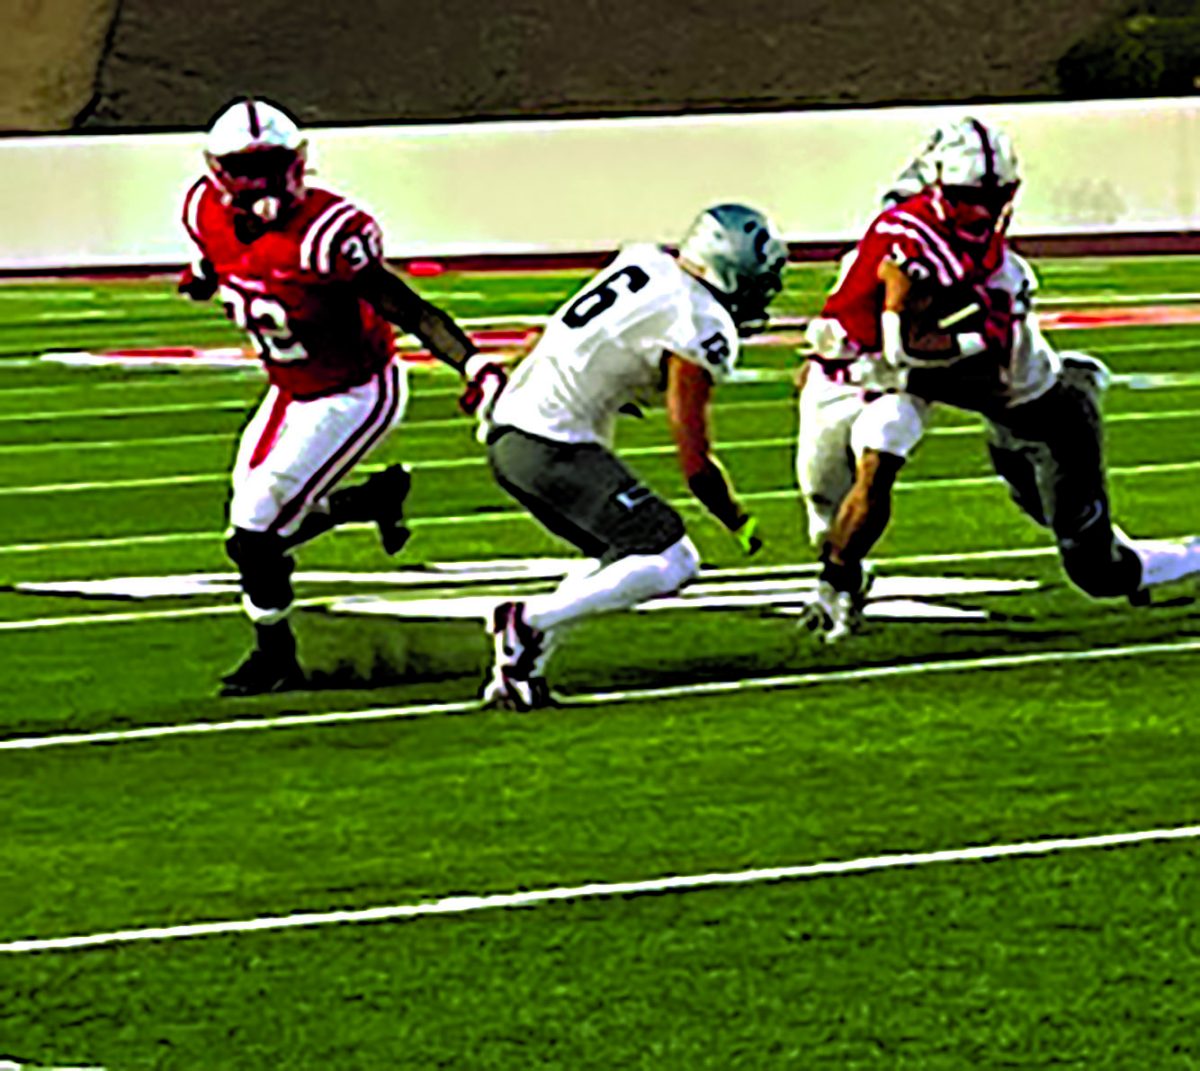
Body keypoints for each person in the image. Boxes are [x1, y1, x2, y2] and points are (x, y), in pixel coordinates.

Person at [799, 117, 1200, 642]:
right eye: (967, 197)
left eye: (994, 197)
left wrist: (893, 357)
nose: (981, 213)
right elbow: (885, 303)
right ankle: (841, 579)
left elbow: (950, 364)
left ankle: (1190, 554)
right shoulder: (902, 234)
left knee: (1096, 568)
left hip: (1036, 409)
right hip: (924, 382)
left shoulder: (1002, 284)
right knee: (825, 510)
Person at [178, 97, 506, 696]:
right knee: (251, 527)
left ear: (297, 162)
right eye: (245, 169)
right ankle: (370, 502)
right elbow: (217, 253)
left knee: (253, 534)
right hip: (288, 390)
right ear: (217, 171)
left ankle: (277, 658)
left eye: (271, 165)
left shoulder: (329, 235)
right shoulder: (204, 212)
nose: (260, 183)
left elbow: (407, 307)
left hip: (354, 392)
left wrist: (474, 364)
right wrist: (204, 274)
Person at [478, 203, 788, 710]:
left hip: (513, 431)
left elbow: (560, 338)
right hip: (548, 443)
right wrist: (739, 519)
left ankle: (518, 669)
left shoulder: (643, 261)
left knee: (617, 554)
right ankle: (526, 622)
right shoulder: (699, 319)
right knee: (672, 556)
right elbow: (695, 462)